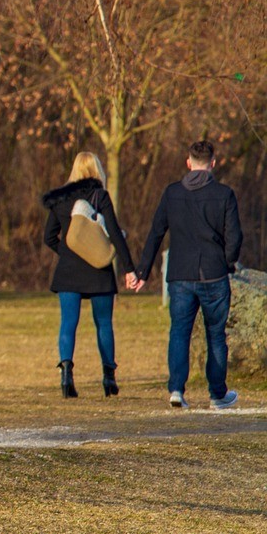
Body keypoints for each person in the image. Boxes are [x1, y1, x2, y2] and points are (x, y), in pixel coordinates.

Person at [131, 140, 243, 410]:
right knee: (216, 335)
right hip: (214, 274)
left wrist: (142, 271)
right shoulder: (224, 194)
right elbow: (235, 237)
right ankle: (217, 394)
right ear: (213, 163)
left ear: (188, 162)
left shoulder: (172, 193)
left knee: (179, 332)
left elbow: (156, 232)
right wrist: (228, 262)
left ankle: (176, 389)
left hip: (180, 274)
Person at [41, 152, 136, 398]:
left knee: (68, 323)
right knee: (103, 323)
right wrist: (130, 268)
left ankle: (66, 376)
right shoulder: (100, 196)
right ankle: (109, 377)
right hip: (98, 270)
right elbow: (114, 233)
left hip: (68, 272)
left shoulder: (61, 198)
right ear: (97, 170)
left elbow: (48, 237)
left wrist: (67, 253)